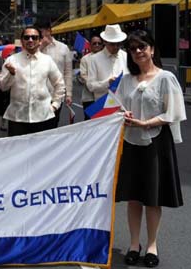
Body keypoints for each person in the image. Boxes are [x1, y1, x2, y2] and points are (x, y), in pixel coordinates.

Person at [115, 30, 186, 268]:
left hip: (156, 143)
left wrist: (145, 123)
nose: (137, 52)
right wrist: (122, 114)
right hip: (131, 142)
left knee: (153, 198)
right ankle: (134, 244)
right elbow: (116, 106)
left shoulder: (166, 78)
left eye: (142, 47)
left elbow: (174, 112)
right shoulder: (126, 80)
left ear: (152, 49)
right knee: (133, 197)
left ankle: (152, 245)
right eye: (133, 48)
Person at [0, 26, 65, 137]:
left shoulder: (47, 60)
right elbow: (2, 87)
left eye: (34, 37)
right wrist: (11, 74)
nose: (30, 40)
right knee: (18, 151)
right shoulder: (12, 60)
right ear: (22, 40)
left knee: (42, 151)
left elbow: (59, 84)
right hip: (17, 117)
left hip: (43, 115)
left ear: (39, 41)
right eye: (27, 37)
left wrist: (55, 105)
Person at [37, 21, 72, 128]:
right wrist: (41, 46)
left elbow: (68, 72)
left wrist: (69, 93)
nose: (41, 33)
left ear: (49, 30)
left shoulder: (63, 48)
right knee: (39, 125)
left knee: (53, 123)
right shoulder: (35, 48)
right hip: (38, 94)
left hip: (56, 93)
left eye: (42, 30)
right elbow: (28, 61)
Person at [87, 24, 128, 102]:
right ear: (105, 42)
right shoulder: (94, 59)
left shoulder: (125, 56)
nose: (116, 47)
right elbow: (91, 86)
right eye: (112, 44)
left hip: (123, 103)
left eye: (118, 44)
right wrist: (107, 83)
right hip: (103, 105)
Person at [78, 35, 103, 120]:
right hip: (89, 98)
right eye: (94, 43)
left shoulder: (106, 58)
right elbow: (83, 75)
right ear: (90, 45)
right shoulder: (85, 59)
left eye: (99, 43)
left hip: (103, 97)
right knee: (90, 122)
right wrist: (94, 86)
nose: (97, 45)